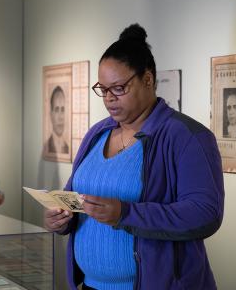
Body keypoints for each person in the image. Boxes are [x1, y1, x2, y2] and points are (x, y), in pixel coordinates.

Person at [43, 24, 224, 290]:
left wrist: (126, 213)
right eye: (102, 89)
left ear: (148, 79)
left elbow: (205, 214)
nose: (108, 99)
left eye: (118, 88)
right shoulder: (97, 133)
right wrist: (59, 219)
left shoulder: (187, 137)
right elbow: (74, 198)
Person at [46, 85, 69, 154]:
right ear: (51, 114)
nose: (60, 117)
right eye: (56, 109)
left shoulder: (67, 147)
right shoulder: (47, 146)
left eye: (62, 109)